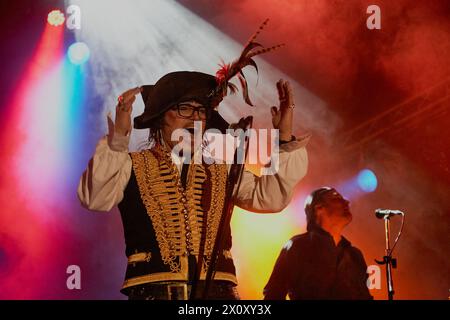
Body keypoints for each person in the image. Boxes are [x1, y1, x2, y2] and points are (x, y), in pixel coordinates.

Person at [77, 23, 310, 300]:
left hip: (218, 295)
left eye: (200, 111)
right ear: (160, 117)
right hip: (153, 293)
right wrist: (118, 140)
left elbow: (270, 198)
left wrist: (283, 136)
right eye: (184, 108)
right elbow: (95, 199)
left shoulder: (222, 168)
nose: (194, 118)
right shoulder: (130, 164)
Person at [263, 187, 373, 300]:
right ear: (319, 208)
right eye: (336, 198)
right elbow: (273, 295)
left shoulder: (355, 255)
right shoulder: (297, 247)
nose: (346, 201)